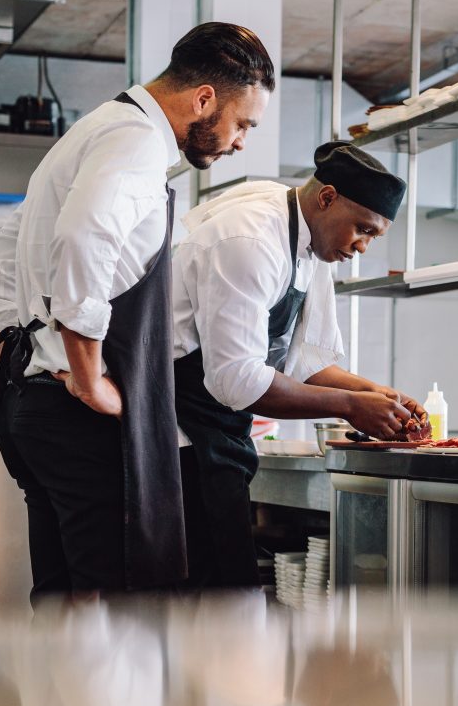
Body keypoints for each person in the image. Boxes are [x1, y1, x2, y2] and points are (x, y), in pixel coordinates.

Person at [0, 22, 275, 597]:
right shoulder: (135, 140)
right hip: (72, 415)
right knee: (113, 611)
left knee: (64, 604)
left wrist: (20, 344)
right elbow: (84, 240)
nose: (240, 142)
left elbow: (6, 252)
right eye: (243, 123)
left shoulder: (96, 129)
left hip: (31, 406)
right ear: (203, 98)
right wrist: (87, 379)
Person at [171, 141, 423, 587]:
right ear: (327, 198)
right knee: (209, 599)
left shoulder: (312, 246)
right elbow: (237, 380)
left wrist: (376, 395)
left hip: (221, 436)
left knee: (230, 595)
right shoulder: (249, 239)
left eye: (374, 237)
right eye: (362, 229)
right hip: (179, 438)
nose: (362, 247)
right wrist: (349, 406)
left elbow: (304, 363)